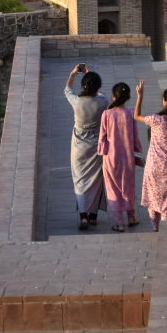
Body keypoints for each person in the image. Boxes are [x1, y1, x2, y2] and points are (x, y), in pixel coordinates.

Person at [133, 82, 167, 232]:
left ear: (165, 101)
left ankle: (156, 228)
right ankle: (166, 229)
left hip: (152, 168)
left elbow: (136, 115)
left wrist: (140, 96)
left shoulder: (157, 120)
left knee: (153, 199)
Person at [65, 64, 108, 230]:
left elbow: (67, 90)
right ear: (97, 86)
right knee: (97, 179)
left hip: (79, 146)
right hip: (98, 145)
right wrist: (91, 76)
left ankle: (83, 216)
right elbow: (101, 93)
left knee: (80, 179)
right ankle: (94, 216)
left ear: (83, 86)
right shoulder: (102, 102)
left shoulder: (77, 102)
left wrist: (73, 73)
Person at [98, 83, 143, 232]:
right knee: (128, 188)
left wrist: (102, 153)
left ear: (114, 96)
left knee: (113, 189)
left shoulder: (107, 114)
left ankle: (120, 223)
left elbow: (102, 138)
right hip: (128, 159)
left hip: (111, 159)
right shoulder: (131, 114)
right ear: (128, 97)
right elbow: (135, 137)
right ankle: (131, 217)